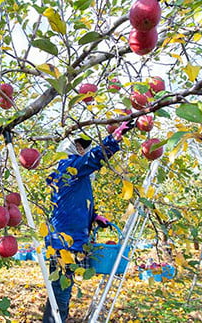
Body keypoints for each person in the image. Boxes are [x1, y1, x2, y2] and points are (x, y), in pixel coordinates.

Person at [42, 121, 134, 322]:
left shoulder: (79, 177)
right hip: (63, 243)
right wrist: (113, 139)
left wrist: (94, 217)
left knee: (63, 289)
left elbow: (74, 205)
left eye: (84, 146)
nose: (82, 149)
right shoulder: (67, 167)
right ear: (68, 147)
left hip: (72, 240)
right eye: (79, 145)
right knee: (60, 294)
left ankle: (57, 319)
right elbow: (94, 159)